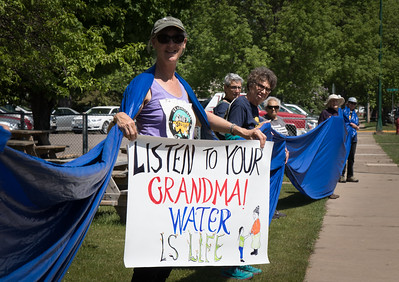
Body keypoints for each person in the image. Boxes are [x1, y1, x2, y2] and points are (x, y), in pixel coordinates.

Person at [108, 16, 266, 282]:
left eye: (177, 38)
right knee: (150, 264)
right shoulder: (144, 84)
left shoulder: (183, 87)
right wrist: (119, 116)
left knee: (168, 259)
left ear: (184, 44)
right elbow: (126, 114)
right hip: (154, 190)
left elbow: (204, 117)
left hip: (180, 192)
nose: (171, 44)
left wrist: (242, 130)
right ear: (154, 42)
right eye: (164, 38)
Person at [220, 66, 277, 280]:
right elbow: (229, 138)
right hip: (235, 173)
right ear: (251, 84)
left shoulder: (253, 108)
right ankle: (230, 265)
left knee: (246, 220)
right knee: (235, 220)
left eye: (267, 89)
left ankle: (242, 260)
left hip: (248, 172)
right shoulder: (241, 104)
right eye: (260, 86)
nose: (263, 91)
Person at [263, 96, 289, 219]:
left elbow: (284, 139)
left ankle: (273, 208)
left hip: (280, 158)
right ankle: (268, 209)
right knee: (267, 184)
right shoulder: (264, 122)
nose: (273, 109)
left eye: (276, 107)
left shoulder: (281, 121)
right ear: (266, 108)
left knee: (277, 185)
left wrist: (286, 150)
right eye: (270, 107)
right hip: (269, 159)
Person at [318, 94, 345, 199]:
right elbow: (320, 128)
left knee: (334, 169)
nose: (335, 103)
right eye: (333, 101)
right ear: (329, 103)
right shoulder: (325, 113)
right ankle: (326, 190)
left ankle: (330, 190)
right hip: (327, 146)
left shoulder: (340, 113)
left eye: (336, 101)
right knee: (327, 168)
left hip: (337, 145)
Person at [339, 97, 360, 183]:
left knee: (351, 157)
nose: (352, 105)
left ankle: (350, 175)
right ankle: (341, 175)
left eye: (354, 104)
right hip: (345, 137)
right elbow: (344, 122)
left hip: (353, 137)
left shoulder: (355, 114)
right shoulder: (343, 112)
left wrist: (356, 126)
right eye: (351, 103)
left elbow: (356, 125)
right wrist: (352, 125)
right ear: (348, 103)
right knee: (344, 156)